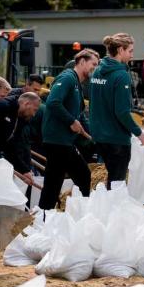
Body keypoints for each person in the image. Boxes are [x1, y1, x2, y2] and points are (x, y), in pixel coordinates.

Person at [38, 49, 100, 210]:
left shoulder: (77, 84)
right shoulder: (67, 78)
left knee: (82, 176)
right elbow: (53, 102)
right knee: (54, 183)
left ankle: (80, 213)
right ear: (81, 62)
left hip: (65, 141)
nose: (95, 68)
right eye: (93, 64)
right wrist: (70, 121)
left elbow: (80, 116)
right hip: (57, 140)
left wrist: (93, 136)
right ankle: (44, 218)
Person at [89, 33, 144, 188]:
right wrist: (139, 133)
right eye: (130, 51)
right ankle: (112, 211)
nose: (132, 55)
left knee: (112, 179)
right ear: (120, 50)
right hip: (116, 138)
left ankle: (107, 209)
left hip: (99, 135)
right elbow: (122, 112)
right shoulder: (121, 75)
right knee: (117, 184)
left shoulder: (97, 71)